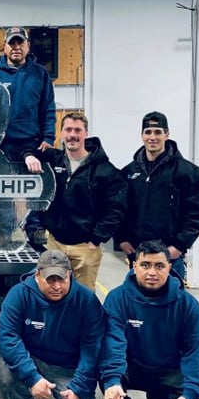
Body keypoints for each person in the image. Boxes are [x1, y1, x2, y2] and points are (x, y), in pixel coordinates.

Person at [100, 240, 199, 399]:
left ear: (169, 268)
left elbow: (196, 352)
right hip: (130, 367)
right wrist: (112, 380)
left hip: (167, 369)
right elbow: (112, 343)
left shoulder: (188, 306)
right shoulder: (117, 299)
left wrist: (192, 393)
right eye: (145, 265)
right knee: (106, 377)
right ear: (134, 266)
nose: (152, 272)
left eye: (159, 266)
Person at [0, 249, 105, 399]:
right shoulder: (19, 295)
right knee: (4, 370)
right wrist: (32, 377)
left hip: (66, 365)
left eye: (61, 279)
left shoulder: (86, 300)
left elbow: (93, 348)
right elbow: (8, 339)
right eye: (50, 279)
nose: (56, 286)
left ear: (70, 275)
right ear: (37, 276)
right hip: (32, 359)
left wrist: (78, 387)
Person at [23, 112, 127, 291]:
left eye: (77, 130)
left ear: (86, 133)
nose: (72, 135)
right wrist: (29, 156)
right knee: (51, 293)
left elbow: (115, 210)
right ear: (61, 133)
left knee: (83, 298)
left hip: (86, 248)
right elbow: (26, 148)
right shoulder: (53, 159)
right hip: (55, 244)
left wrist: (96, 239)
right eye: (68, 129)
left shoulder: (105, 170)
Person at [115, 111, 199, 281]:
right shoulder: (128, 173)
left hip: (171, 258)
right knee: (137, 304)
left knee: (171, 305)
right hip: (138, 257)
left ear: (167, 134)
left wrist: (178, 247)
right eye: (148, 132)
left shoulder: (188, 172)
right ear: (142, 135)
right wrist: (121, 240)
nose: (153, 137)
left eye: (158, 132)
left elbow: (197, 215)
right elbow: (119, 210)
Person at [0, 26, 56, 173]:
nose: (16, 47)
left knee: (30, 194)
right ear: (4, 46)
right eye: (12, 43)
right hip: (2, 146)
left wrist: (48, 138)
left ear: (28, 45)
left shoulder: (40, 73)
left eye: (21, 43)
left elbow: (48, 108)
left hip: (33, 145)